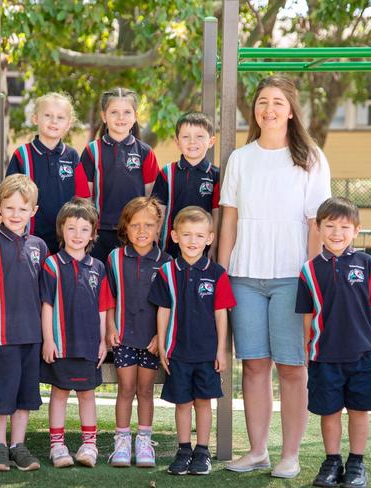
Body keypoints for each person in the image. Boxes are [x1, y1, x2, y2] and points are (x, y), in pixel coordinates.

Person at [218, 75, 331, 478]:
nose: (269, 109)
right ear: (255, 110)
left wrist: (313, 283)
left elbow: (316, 225)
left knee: (291, 368)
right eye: (263, 101)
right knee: (254, 366)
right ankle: (257, 451)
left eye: (278, 102)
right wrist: (223, 273)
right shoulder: (240, 159)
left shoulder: (311, 159)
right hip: (244, 278)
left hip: (292, 279)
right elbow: (228, 220)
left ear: (291, 110)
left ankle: (290, 455)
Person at [296, 197, 371, 488]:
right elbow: (307, 315)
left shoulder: (367, 264)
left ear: (356, 230)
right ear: (318, 229)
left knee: (359, 410)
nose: (337, 232)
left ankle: (356, 462)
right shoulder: (309, 270)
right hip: (324, 356)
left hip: (363, 354)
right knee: (329, 411)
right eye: (330, 226)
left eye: (344, 227)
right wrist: (306, 346)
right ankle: (332, 461)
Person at [149, 206, 236, 476]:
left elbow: (221, 314)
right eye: (186, 235)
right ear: (174, 236)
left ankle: (202, 451)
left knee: (203, 402)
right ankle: (183, 449)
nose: (192, 241)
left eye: (199, 236)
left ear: (210, 238)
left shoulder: (217, 273)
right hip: (178, 351)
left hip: (207, 352)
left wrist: (221, 349)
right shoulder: (167, 272)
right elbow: (163, 310)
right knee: (182, 403)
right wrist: (162, 343)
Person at [0, 175, 48, 472]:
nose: (15, 214)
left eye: (22, 208)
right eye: (10, 208)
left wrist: (47, 335)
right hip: (1, 335)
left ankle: (18, 445)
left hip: (31, 336)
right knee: (0, 394)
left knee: (24, 395)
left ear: (34, 210)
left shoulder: (40, 246)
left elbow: (46, 297)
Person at [40, 198, 114, 468]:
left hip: (88, 343)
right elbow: (46, 305)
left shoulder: (98, 268)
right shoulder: (52, 265)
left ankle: (89, 445)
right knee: (59, 393)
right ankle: (57, 446)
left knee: (87, 394)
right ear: (62, 230)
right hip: (60, 343)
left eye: (84, 229)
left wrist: (104, 340)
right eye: (72, 228)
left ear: (94, 233)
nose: (77, 235)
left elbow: (103, 308)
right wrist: (48, 339)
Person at [106, 196, 171, 468]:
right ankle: (121, 442)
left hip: (151, 340)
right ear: (125, 228)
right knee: (126, 388)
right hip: (124, 337)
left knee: (145, 391)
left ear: (159, 228)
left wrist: (160, 336)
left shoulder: (166, 262)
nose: (142, 231)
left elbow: (169, 305)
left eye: (148, 225)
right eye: (135, 225)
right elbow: (108, 297)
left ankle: (144, 442)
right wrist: (110, 326)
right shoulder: (115, 258)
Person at [80, 87, 159, 261]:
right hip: (100, 232)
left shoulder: (145, 152)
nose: (121, 118)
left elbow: (151, 198)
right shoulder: (92, 151)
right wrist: (87, 229)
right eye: (114, 112)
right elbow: (85, 198)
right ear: (104, 116)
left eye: (127, 112)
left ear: (135, 116)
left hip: (135, 231)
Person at [6, 92, 90, 254]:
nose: (54, 121)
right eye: (48, 115)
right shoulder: (22, 155)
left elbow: (82, 200)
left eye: (60, 117)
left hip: (65, 243)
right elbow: (9, 198)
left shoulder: (72, 156)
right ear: (36, 118)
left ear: (68, 124)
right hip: (28, 240)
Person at [151, 112, 219, 259]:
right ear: (177, 142)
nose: (192, 142)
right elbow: (158, 212)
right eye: (186, 137)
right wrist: (154, 241)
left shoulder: (216, 175)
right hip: (170, 248)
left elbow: (217, 214)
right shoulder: (167, 173)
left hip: (202, 248)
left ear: (211, 141)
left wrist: (214, 246)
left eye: (199, 136)